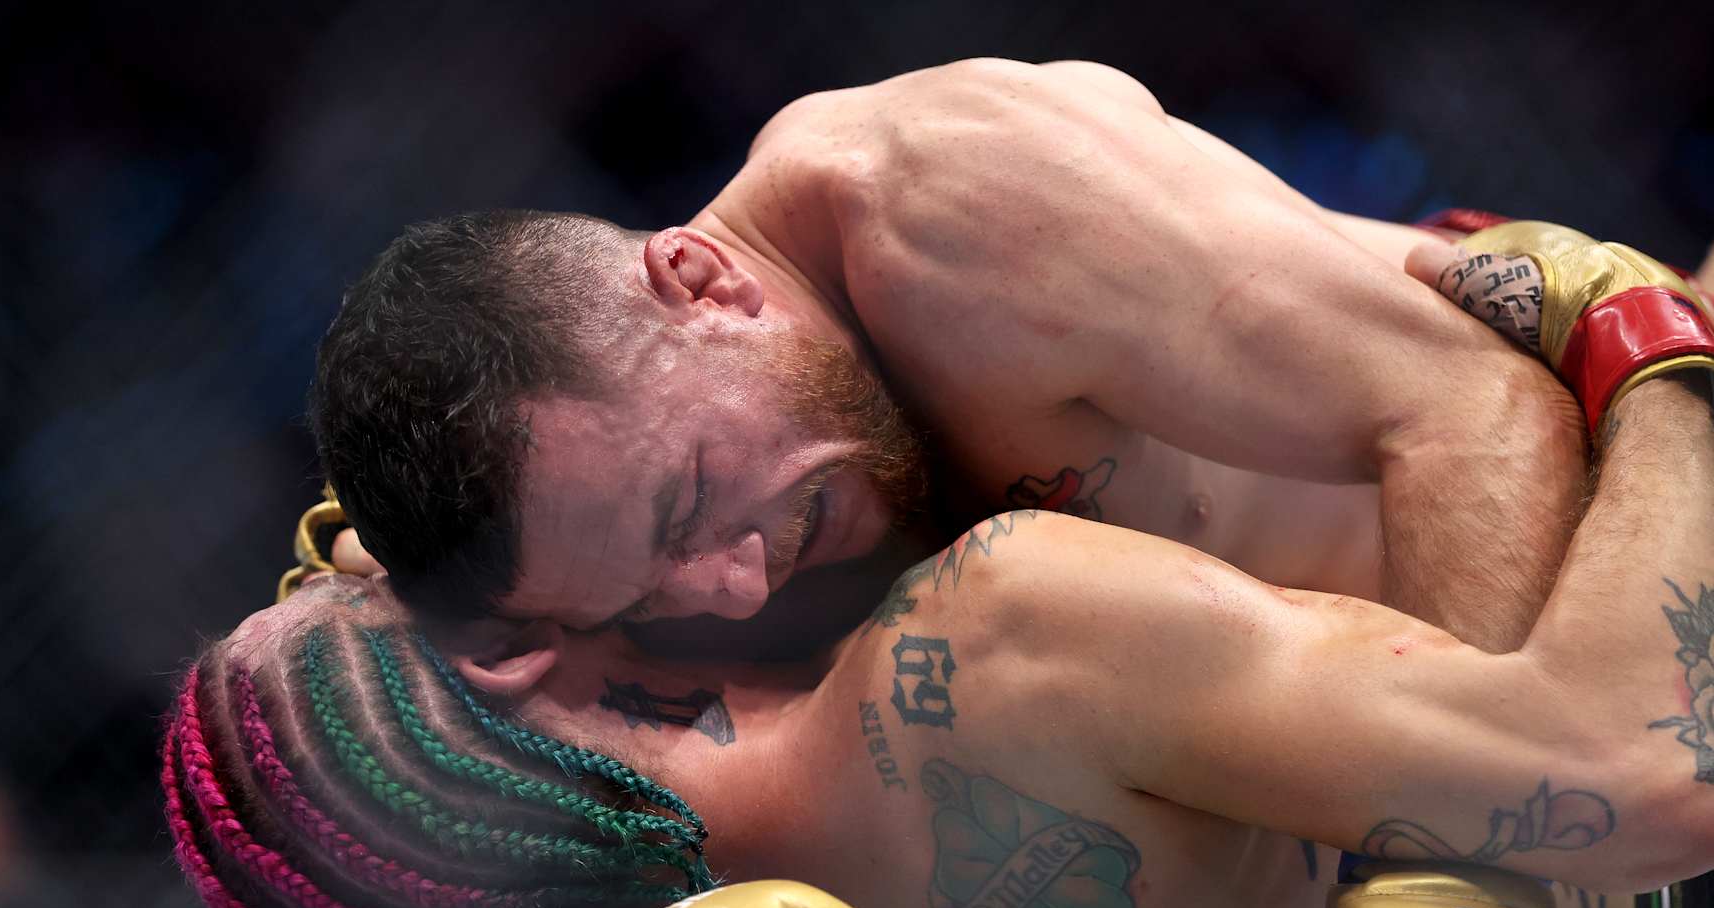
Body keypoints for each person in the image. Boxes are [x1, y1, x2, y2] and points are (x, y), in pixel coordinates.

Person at [184, 225, 1714, 908]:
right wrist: (1656, 350)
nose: (344, 553)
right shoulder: (995, 634)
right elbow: (1631, 766)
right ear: (514, 653)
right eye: (357, 583)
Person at [309, 59, 1597, 666]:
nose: (732, 591)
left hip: (1607, 542)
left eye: (688, 499)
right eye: (649, 598)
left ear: (700, 284)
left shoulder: (965, 212)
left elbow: (1472, 408)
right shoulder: (584, 525)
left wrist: (1468, 891)